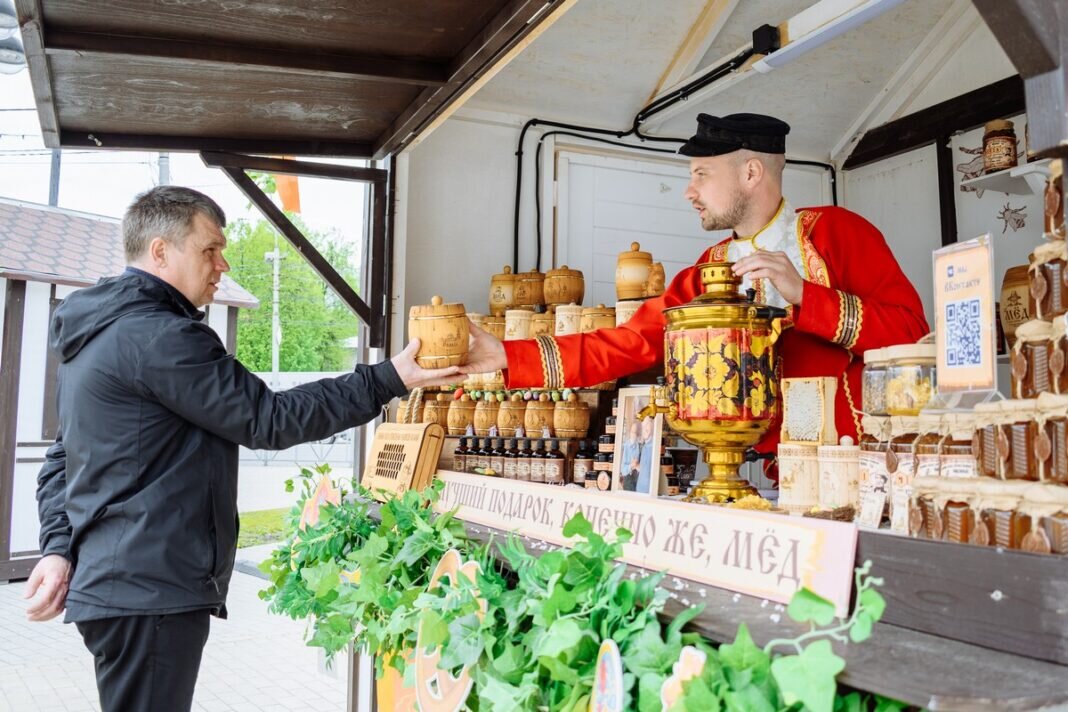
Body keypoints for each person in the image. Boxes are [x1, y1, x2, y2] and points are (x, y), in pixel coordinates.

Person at [23, 186, 459, 712]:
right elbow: (268, 419)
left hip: (122, 586)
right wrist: (389, 379)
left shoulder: (97, 332)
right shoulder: (160, 337)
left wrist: (56, 547)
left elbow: (59, 460)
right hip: (150, 590)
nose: (222, 264)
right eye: (210, 249)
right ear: (160, 252)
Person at [461, 112, 929, 454]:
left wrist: (807, 296)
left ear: (751, 173)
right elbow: (625, 344)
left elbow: (912, 335)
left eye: (701, 174)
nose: (690, 191)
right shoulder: (710, 269)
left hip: (859, 459)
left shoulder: (836, 232)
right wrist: (508, 356)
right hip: (766, 467)